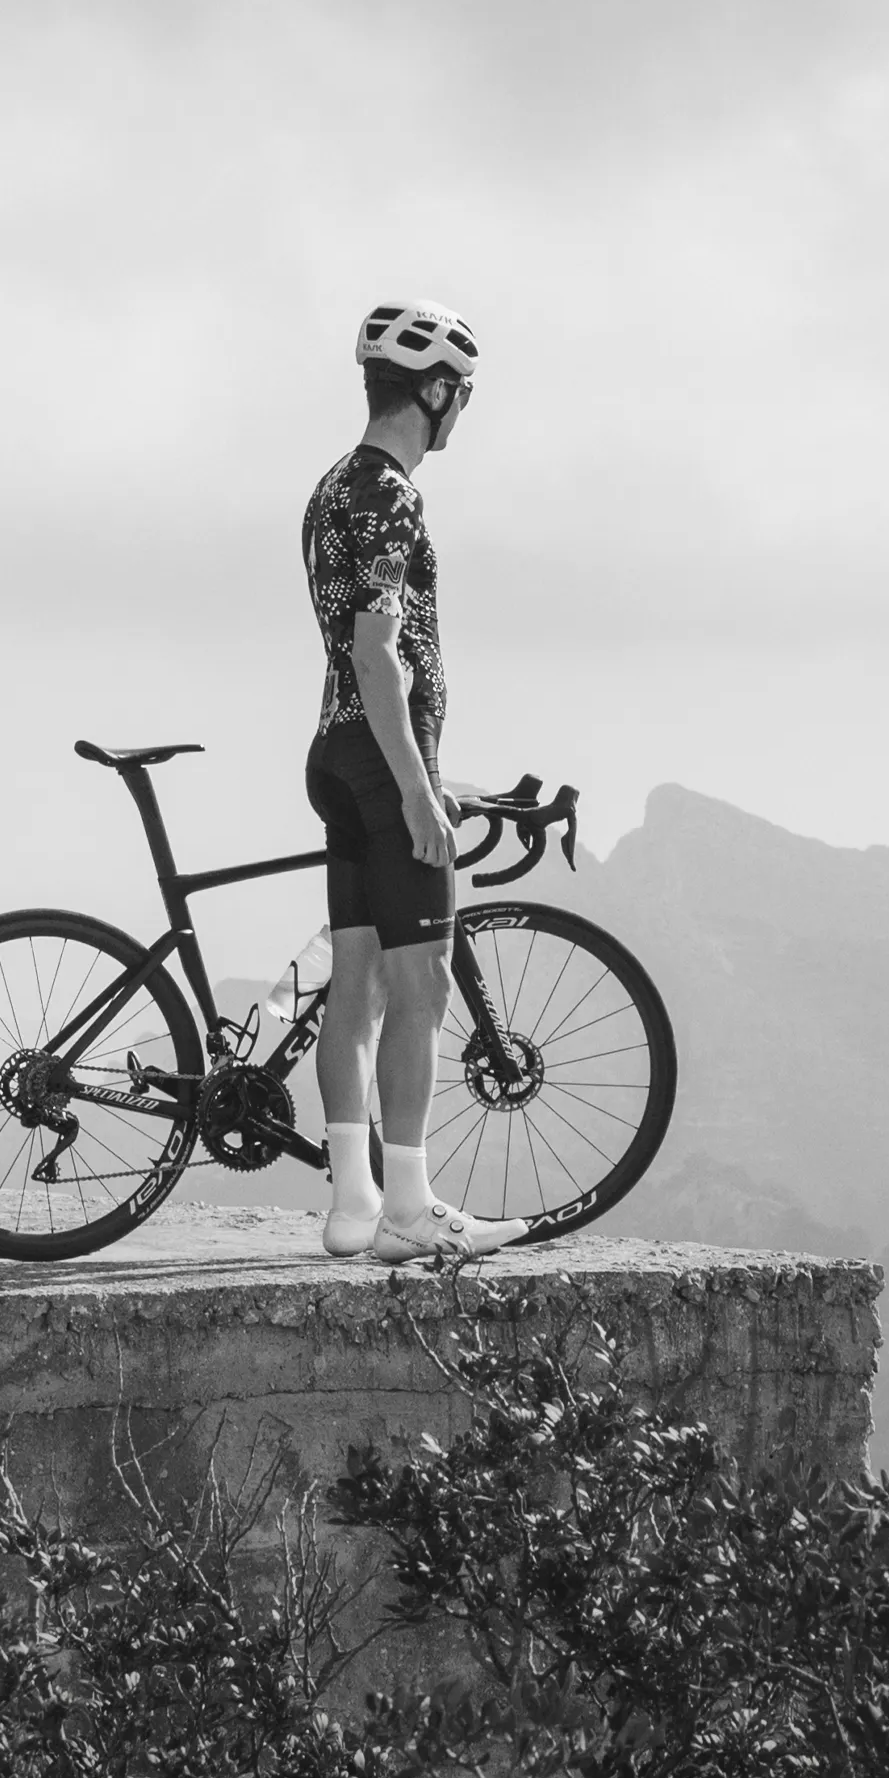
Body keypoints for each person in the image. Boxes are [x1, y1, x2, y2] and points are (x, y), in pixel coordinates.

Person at [300, 298, 522, 1261]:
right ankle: (408, 1207)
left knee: (355, 981)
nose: (462, 410)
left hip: (335, 751)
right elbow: (376, 650)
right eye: (461, 394)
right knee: (421, 982)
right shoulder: (390, 492)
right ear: (433, 393)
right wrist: (419, 790)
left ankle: (353, 1207)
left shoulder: (328, 488)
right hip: (386, 755)